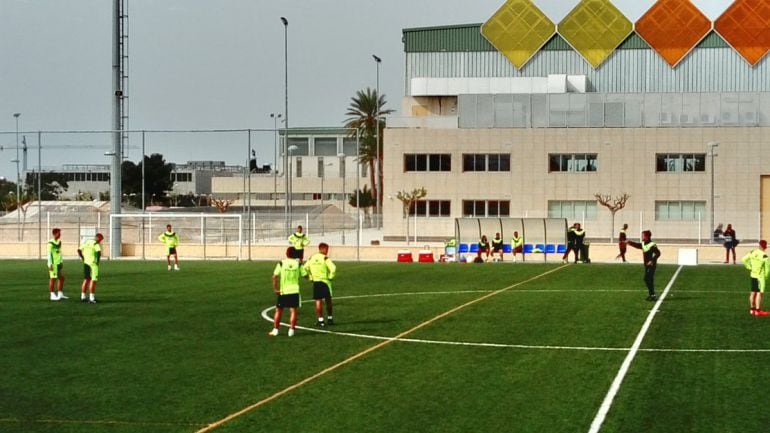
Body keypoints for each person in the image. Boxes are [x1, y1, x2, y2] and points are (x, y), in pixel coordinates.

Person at [269, 247, 307, 337]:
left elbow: (274, 277)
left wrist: (275, 288)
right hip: (294, 290)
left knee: (278, 310)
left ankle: (275, 330)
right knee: (293, 311)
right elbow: (305, 275)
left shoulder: (281, 263)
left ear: (287, 253)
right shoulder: (298, 264)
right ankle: (291, 331)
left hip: (284, 291)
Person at [303, 243, 337, 327]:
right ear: (323, 249)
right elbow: (333, 268)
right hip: (325, 282)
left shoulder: (312, 258)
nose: (327, 251)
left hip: (316, 282)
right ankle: (329, 318)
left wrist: (310, 277)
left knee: (318, 301)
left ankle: (321, 320)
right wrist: (330, 276)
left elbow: (304, 268)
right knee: (328, 300)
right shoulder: (325, 258)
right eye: (327, 249)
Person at [626, 230, 661, 301]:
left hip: (651, 265)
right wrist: (629, 242)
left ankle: (652, 295)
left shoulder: (652, 244)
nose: (642, 237)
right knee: (648, 279)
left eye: (643, 235)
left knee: (647, 279)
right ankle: (652, 295)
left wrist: (652, 260)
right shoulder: (644, 244)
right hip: (646, 265)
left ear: (647, 236)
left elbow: (658, 253)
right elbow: (637, 245)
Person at [742, 240, 769, 316]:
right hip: (760, 277)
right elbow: (767, 268)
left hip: (753, 275)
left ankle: (752, 309)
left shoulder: (753, 252)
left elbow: (743, 259)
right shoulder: (764, 256)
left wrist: (749, 266)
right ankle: (758, 310)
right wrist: (766, 276)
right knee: (760, 293)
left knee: (753, 292)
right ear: (765, 247)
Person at [77, 233, 104, 304]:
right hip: (93, 264)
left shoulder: (87, 242)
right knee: (93, 280)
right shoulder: (96, 244)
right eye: (100, 239)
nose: (100, 241)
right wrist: (97, 262)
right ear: (98, 238)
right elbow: (98, 253)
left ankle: (83, 296)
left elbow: (79, 250)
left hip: (86, 263)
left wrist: (83, 257)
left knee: (86, 279)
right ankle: (92, 298)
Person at [47, 228, 67, 301]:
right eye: (59, 233)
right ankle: (52, 295)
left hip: (58, 263)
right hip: (53, 264)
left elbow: (59, 252)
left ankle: (60, 294)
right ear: (55, 234)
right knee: (53, 279)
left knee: (61, 278)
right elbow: (49, 254)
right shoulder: (50, 243)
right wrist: (50, 264)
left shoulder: (59, 241)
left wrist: (61, 261)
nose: (60, 234)